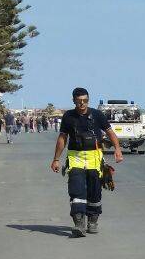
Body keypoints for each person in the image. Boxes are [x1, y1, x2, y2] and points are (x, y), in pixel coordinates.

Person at [51, 87, 122, 237]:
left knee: (94, 191)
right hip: (75, 158)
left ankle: (93, 220)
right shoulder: (68, 117)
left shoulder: (97, 115)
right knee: (76, 190)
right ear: (74, 101)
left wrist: (118, 150)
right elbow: (62, 138)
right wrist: (56, 159)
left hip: (94, 159)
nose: (82, 103)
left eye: (85, 101)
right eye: (79, 101)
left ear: (88, 100)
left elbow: (110, 132)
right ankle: (79, 223)